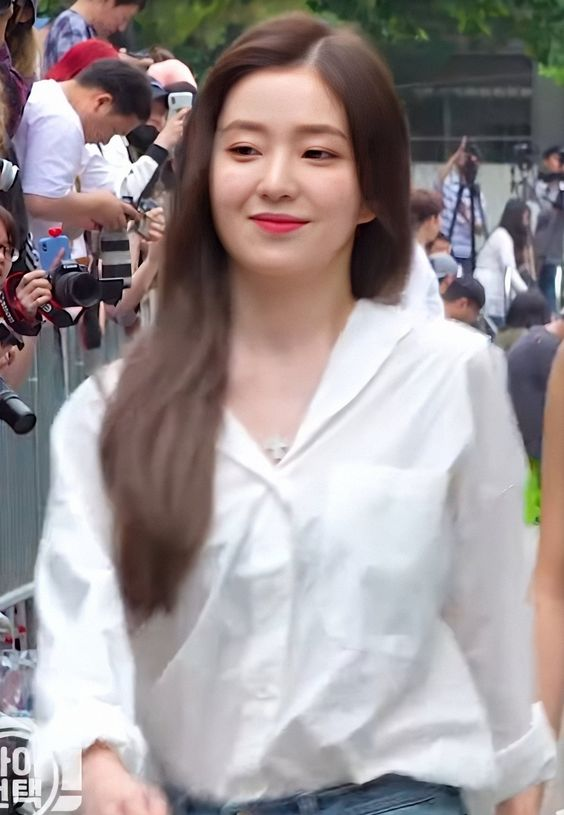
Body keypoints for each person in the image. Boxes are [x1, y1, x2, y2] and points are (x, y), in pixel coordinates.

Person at [34, 13, 554, 815]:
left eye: (318, 153)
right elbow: (81, 630)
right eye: (245, 150)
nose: (276, 180)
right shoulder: (116, 411)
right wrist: (96, 761)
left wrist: (522, 785)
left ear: (371, 190)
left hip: (397, 793)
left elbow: (492, 614)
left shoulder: (451, 379)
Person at [13, 58, 152, 245]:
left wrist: (82, 214)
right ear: (102, 102)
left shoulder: (46, 93)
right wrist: (98, 204)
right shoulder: (63, 120)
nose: (105, 141)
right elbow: (40, 201)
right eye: (113, 131)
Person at [43, 0, 145, 74]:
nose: (121, 28)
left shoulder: (81, 27)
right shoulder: (73, 27)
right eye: (123, 18)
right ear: (109, 2)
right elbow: (80, 77)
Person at [474, 199, 530, 326]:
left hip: (494, 291)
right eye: (525, 217)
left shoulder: (503, 236)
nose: (527, 223)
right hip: (490, 290)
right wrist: (527, 294)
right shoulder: (502, 237)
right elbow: (509, 270)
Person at [436, 138, 486, 275]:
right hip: (446, 247)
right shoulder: (449, 183)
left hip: (466, 252)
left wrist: (467, 215)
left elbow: (480, 229)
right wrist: (456, 156)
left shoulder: (476, 194)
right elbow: (439, 178)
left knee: (464, 283)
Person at [403, 188, 443, 319]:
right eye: (440, 217)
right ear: (432, 220)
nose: (441, 224)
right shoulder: (416, 257)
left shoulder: (408, 250)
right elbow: (413, 306)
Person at [534, 146, 564, 314]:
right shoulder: (538, 185)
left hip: (553, 250)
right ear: (545, 161)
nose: (558, 163)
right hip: (536, 248)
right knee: (534, 289)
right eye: (556, 159)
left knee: (549, 290)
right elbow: (542, 211)